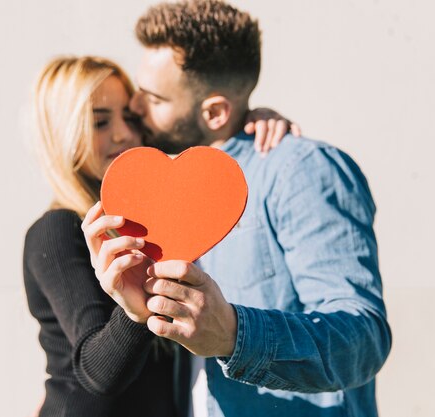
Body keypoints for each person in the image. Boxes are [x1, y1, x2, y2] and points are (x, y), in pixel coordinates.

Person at [82, 1, 392, 417]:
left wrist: (233, 334)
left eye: (152, 97)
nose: (135, 107)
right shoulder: (158, 194)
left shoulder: (299, 170)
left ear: (214, 112)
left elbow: (363, 339)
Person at [23, 55, 295, 417]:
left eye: (130, 118)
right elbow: (96, 373)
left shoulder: (149, 221)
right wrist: (135, 314)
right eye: (100, 122)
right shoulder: (59, 229)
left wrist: (249, 120)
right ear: (62, 133)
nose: (123, 133)